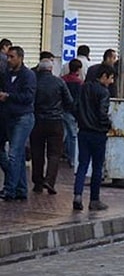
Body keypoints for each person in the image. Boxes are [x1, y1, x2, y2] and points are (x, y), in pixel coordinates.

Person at [73, 64, 115, 211]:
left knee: (82, 165)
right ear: (103, 76)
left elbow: (75, 107)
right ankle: (94, 199)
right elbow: (102, 114)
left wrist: (81, 121)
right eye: (110, 78)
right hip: (98, 133)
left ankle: (77, 195)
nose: (112, 81)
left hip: (83, 131)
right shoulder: (103, 92)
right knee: (97, 167)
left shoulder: (83, 88)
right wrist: (108, 124)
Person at [30, 58, 72, 195]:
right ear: (50, 69)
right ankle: (50, 180)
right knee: (54, 153)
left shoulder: (34, 81)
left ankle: (37, 182)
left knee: (37, 152)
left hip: (37, 120)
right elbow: (69, 101)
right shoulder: (59, 82)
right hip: (55, 121)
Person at [0, 46, 36, 201]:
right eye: (7, 56)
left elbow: (28, 96)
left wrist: (8, 96)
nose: (8, 60)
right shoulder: (7, 74)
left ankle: (9, 189)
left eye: (12, 57)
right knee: (19, 155)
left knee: (14, 154)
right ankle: (21, 189)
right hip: (10, 117)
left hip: (23, 117)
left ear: (20, 58)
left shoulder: (28, 75)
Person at [62, 59, 83, 168]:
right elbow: (78, 100)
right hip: (72, 112)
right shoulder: (79, 82)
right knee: (73, 136)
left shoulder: (63, 80)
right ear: (78, 69)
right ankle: (73, 159)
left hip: (61, 110)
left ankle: (59, 155)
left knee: (63, 134)